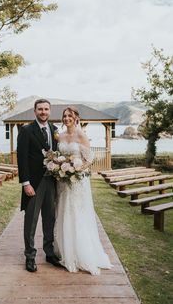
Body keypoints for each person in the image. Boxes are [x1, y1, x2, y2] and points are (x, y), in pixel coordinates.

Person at [54, 106, 113, 275]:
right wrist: (60, 168)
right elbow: (60, 156)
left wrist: (76, 169)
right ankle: (65, 250)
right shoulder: (61, 135)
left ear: (76, 118)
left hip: (78, 182)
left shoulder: (81, 135)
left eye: (69, 115)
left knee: (77, 213)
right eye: (64, 116)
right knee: (63, 211)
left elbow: (89, 160)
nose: (66, 118)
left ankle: (81, 253)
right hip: (63, 182)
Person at [17, 99, 61, 272]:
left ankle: (49, 253)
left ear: (50, 111)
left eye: (46, 109)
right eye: (40, 109)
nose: (43, 112)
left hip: (51, 180)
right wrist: (25, 183)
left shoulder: (55, 130)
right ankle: (30, 256)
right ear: (35, 111)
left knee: (50, 218)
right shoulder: (27, 130)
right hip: (34, 183)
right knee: (31, 220)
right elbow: (22, 159)